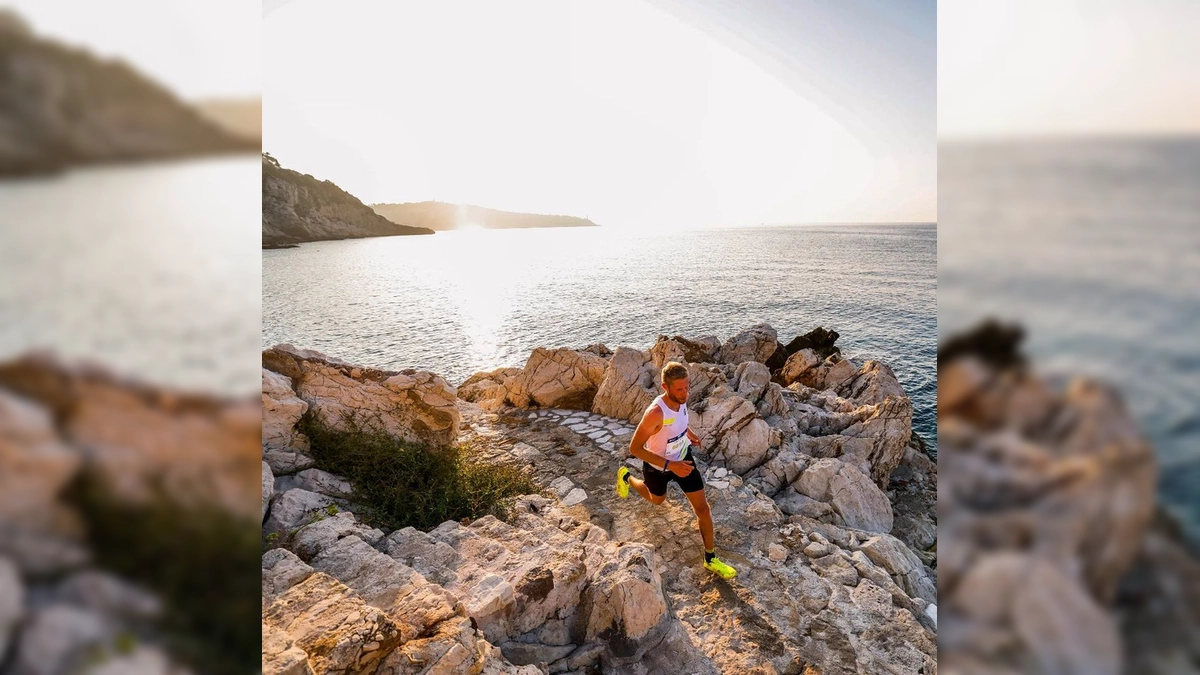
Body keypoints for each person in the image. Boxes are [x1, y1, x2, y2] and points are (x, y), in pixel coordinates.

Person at [615, 361, 738, 579]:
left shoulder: (681, 400)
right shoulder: (655, 413)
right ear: (665, 387)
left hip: (684, 459)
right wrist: (670, 466)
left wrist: (688, 432)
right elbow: (634, 448)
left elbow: (678, 420)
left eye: (687, 387)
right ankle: (626, 477)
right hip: (657, 467)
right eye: (679, 389)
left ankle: (711, 558)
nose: (685, 393)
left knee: (703, 509)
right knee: (657, 500)